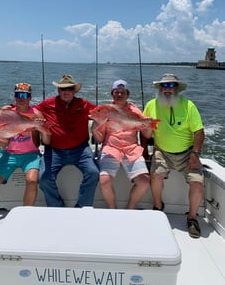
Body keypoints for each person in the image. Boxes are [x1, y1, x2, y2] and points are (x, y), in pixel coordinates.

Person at [0, 83, 46, 247]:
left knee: (32, 181)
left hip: (30, 155)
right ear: (14, 97)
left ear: (30, 97)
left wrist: (40, 127)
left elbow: (41, 140)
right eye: (18, 95)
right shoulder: (7, 112)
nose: (21, 99)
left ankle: (26, 222)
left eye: (25, 95)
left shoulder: (36, 113)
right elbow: (6, 143)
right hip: (10, 154)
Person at [143, 73, 205, 238]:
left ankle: (192, 218)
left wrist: (195, 153)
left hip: (187, 153)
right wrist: (145, 131)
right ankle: (158, 207)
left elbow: (199, 132)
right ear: (159, 88)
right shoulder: (151, 105)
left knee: (197, 184)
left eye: (171, 85)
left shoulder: (188, 105)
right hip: (161, 151)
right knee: (155, 176)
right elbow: (146, 133)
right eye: (164, 86)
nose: (167, 89)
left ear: (177, 88)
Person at [36, 74, 99, 208]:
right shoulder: (47, 104)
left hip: (81, 150)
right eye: (63, 89)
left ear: (74, 91)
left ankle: (82, 207)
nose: (66, 92)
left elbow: (102, 112)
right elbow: (30, 111)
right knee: (44, 179)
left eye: (70, 89)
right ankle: (57, 207)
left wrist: (122, 111)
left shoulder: (83, 104)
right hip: (54, 151)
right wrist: (11, 109)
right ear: (58, 90)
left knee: (93, 173)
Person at [91, 80, 152, 209]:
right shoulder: (105, 110)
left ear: (127, 94)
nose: (119, 94)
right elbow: (100, 139)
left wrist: (148, 125)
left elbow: (146, 135)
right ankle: (112, 208)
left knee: (144, 182)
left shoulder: (135, 110)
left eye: (122, 92)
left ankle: (130, 208)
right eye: (116, 92)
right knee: (104, 182)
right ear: (112, 94)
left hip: (132, 150)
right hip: (111, 149)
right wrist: (95, 126)